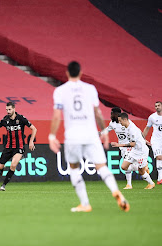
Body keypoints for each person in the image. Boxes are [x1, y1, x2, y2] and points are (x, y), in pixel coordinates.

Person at [48, 61, 129, 212]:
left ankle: (85, 204)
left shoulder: (60, 91)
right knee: (102, 167)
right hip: (91, 134)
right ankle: (116, 191)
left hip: (73, 136)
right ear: (80, 72)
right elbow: (97, 112)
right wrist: (104, 132)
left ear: (67, 73)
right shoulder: (90, 89)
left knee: (73, 168)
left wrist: (52, 136)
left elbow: (57, 115)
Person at [0, 102, 37, 191]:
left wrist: (31, 141)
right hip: (8, 147)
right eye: (6, 110)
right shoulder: (5, 120)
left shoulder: (21, 119)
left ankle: (3, 185)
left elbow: (34, 128)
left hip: (19, 147)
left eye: (9, 109)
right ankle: (2, 169)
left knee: (13, 165)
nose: (8, 111)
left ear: (14, 109)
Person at [101, 107, 148, 189]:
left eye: (112, 113)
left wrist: (143, 139)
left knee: (126, 165)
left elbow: (138, 131)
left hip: (129, 146)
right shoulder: (112, 123)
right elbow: (106, 131)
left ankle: (130, 184)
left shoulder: (127, 122)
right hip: (122, 147)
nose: (111, 115)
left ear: (116, 114)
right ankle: (143, 168)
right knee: (128, 166)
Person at [111, 113, 155, 189]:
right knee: (124, 166)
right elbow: (140, 131)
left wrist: (118, 145)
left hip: (141, 152)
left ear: (125, 120)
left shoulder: (132, 130)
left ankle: (151, 183)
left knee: (141, 172)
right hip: (134, 150)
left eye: (120, 121)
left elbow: (133, 144)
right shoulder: (129, 124)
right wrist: (144, 140)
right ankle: (143, 167)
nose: (120, 123)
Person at [142, 101, 162, 184]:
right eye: (156, 106)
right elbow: (147, 128)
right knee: (159, 157)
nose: (157, 107)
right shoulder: (152, 117)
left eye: (158, 105)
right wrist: (142, 138)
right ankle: (160, 178)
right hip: (156, 140)